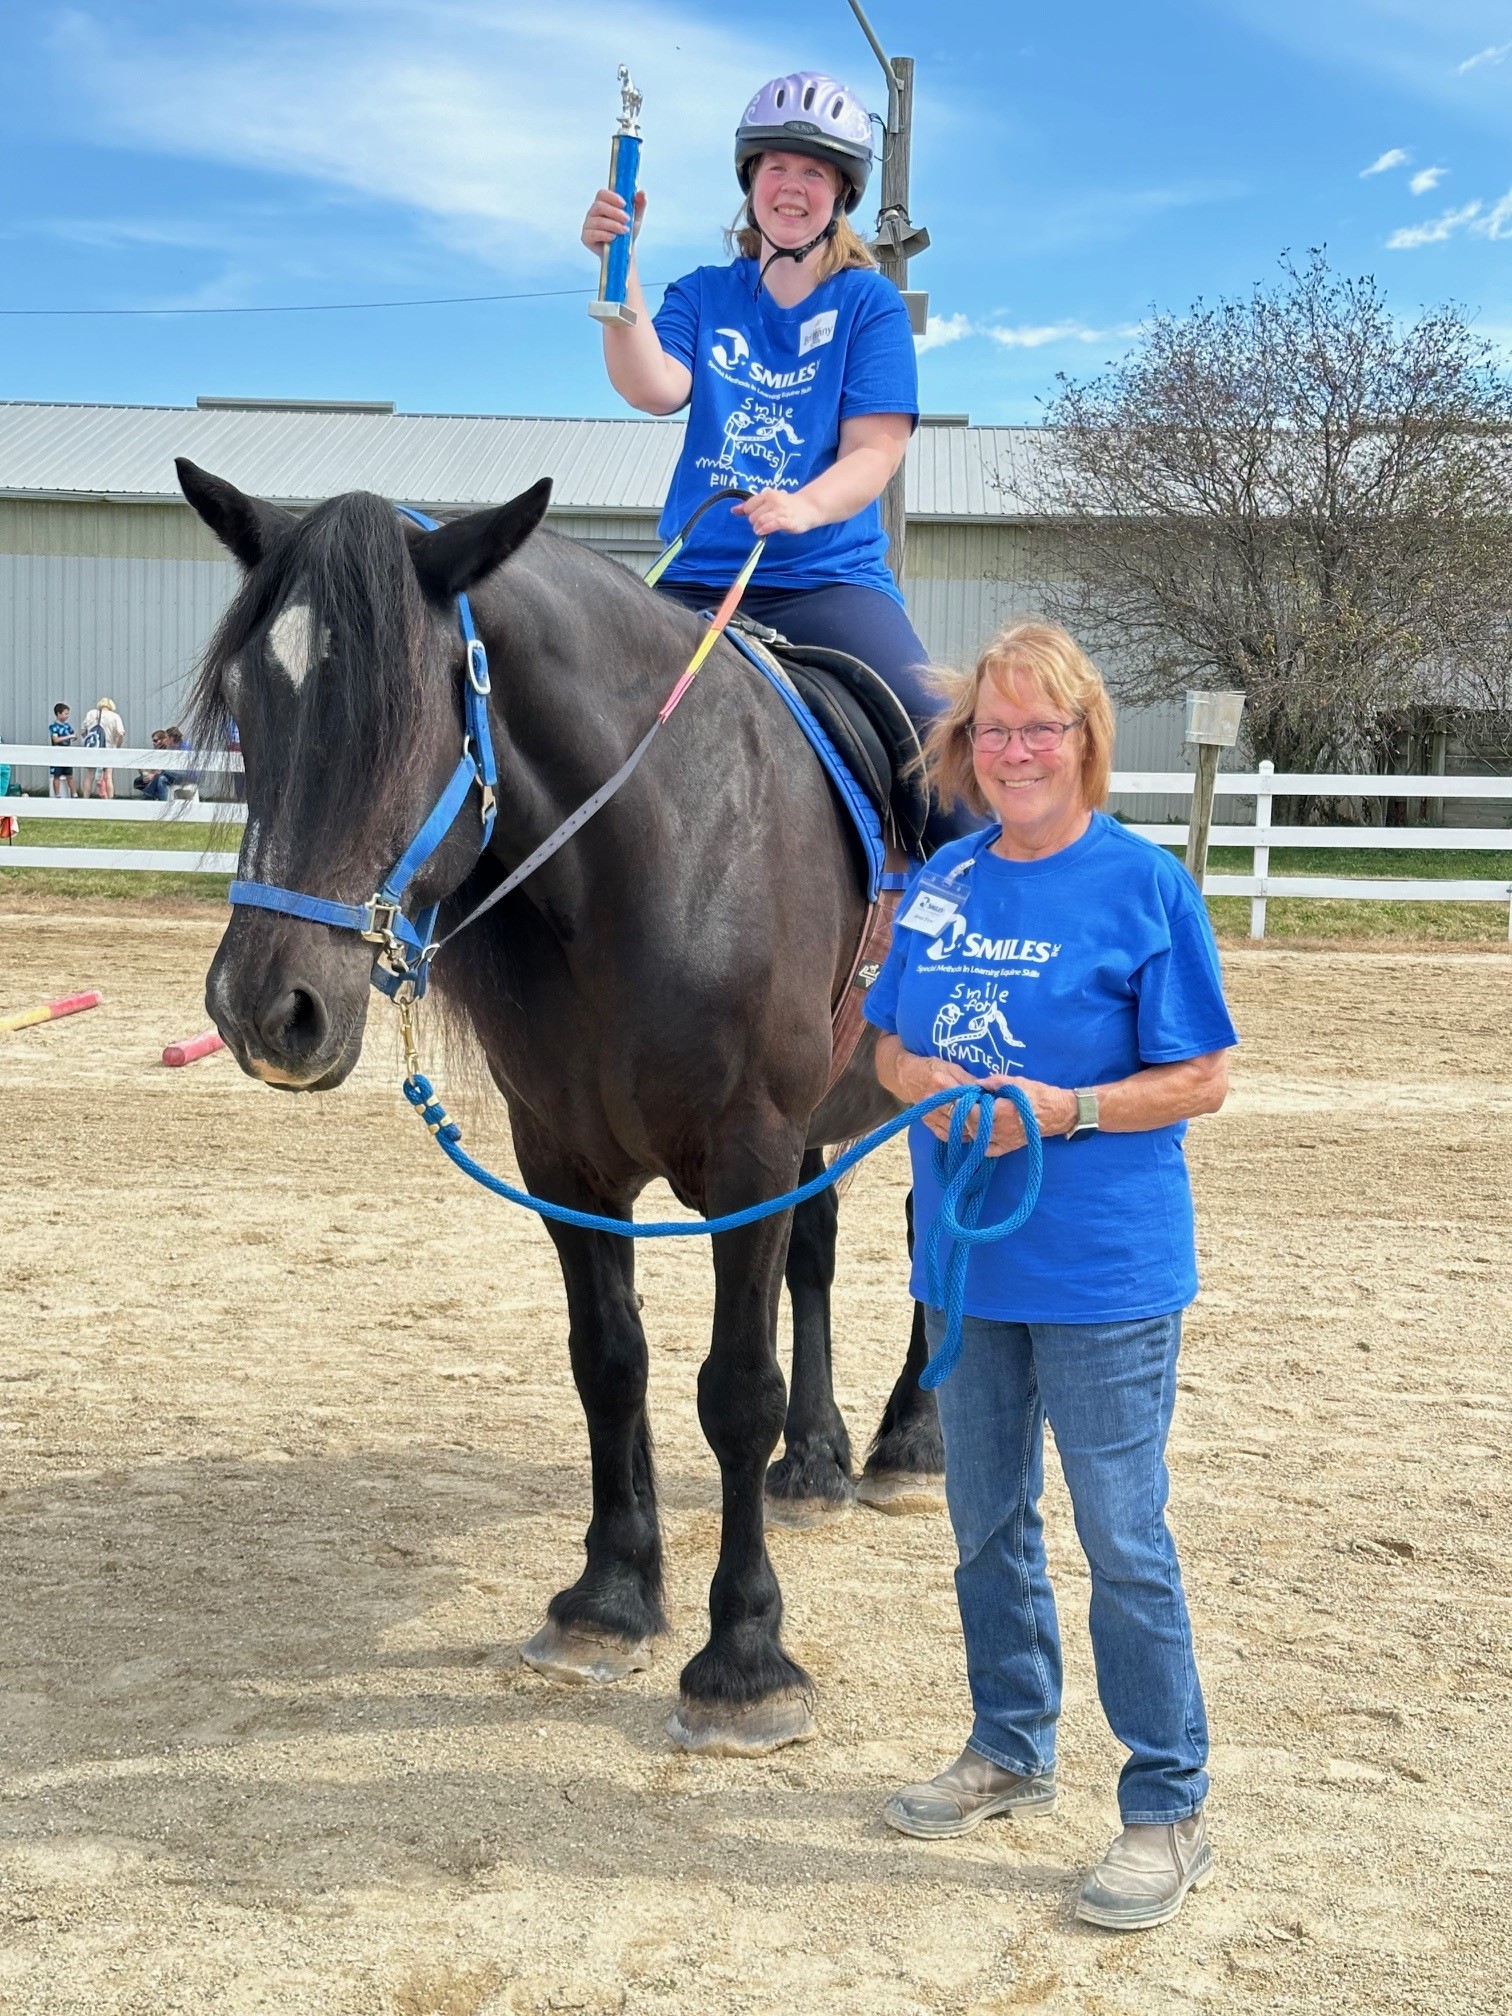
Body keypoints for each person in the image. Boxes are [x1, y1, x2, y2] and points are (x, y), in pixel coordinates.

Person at [862, 621, 1239, 1933]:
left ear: (1087, 745)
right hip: (967, 1258)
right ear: (970, 751)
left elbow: (1201, 1075)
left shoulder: (1145, 887)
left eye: (1045, 729)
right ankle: (1011, 1744)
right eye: (996, 731)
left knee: (1122, 1536)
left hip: (1106, 1268)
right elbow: (887, 1055)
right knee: (983, 1519)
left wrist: (1062, 1111)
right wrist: (934, 1086)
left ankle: (1167, 1805)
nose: (1019, 751)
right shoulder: (947, 883)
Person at [582, 71, 973, 848]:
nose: (792, 188)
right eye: (776, 168)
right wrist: (619, 266)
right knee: (571, 719)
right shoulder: (703, 293)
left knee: (940, 748)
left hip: (825, 580)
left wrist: (804, 507)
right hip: (699, 578)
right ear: (750, 180)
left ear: (842, 192)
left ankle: (970, 924)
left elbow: (876, 451)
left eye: (814, 172)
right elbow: (651, 385)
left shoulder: (870, 305)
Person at [80, 695, 125, 800]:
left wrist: (89, 741)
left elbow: (83, 731)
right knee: (108, 775)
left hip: (93, 749)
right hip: (108, 748)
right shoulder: (115, 716)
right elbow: (121, 733)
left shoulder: (91, 713)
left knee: (89, 775)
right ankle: (110, 800)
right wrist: (118, 747)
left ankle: (85, 799)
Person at [133, 727, 185, 801]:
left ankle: (150, 797)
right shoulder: (159, 750)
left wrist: (154, 773)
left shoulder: (174, 748)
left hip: (175, 774)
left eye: (155, 740)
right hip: (164, 773)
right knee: (138, 781)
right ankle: (150, 796)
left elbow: (170, 767)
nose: (153, 743)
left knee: (160, 778)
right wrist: (147, 772)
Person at [48, 702, 75, 797]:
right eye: (65, 713)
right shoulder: (53, 726)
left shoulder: (67, 726)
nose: (67, 716)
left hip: (67, 754)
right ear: (59, 714)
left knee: (70, 775)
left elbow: (74, 735)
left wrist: (73, 736)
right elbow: (56, 739)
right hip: (57, 754)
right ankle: (57, 795)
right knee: (57, 775)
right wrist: (69, 737)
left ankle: (74, 794)